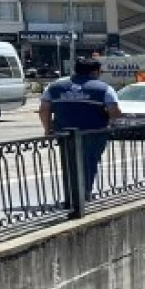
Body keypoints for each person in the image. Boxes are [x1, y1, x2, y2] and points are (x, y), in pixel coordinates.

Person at [38, 57, 121, 197]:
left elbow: (44, 109)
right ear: (95, 72)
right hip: (94, 133)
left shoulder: (54, 87)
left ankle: (71, 196)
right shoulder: (104, 88)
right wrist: (111, 124)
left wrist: (48, 128)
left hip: (64, 134)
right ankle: (83, 195)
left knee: (70, 164)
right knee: (89, 163)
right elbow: (115, 111)